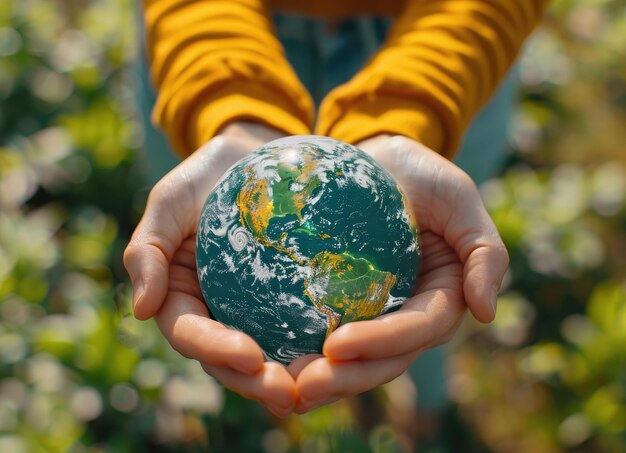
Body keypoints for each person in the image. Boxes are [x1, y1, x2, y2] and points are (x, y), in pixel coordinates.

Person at [125, 0, 547, 417]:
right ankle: (262, 404)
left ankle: (431, 396)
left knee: (434, 275)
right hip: (203, 51)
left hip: (451, 56)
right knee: (240, 350)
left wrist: (413, 104)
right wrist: (228, 101)